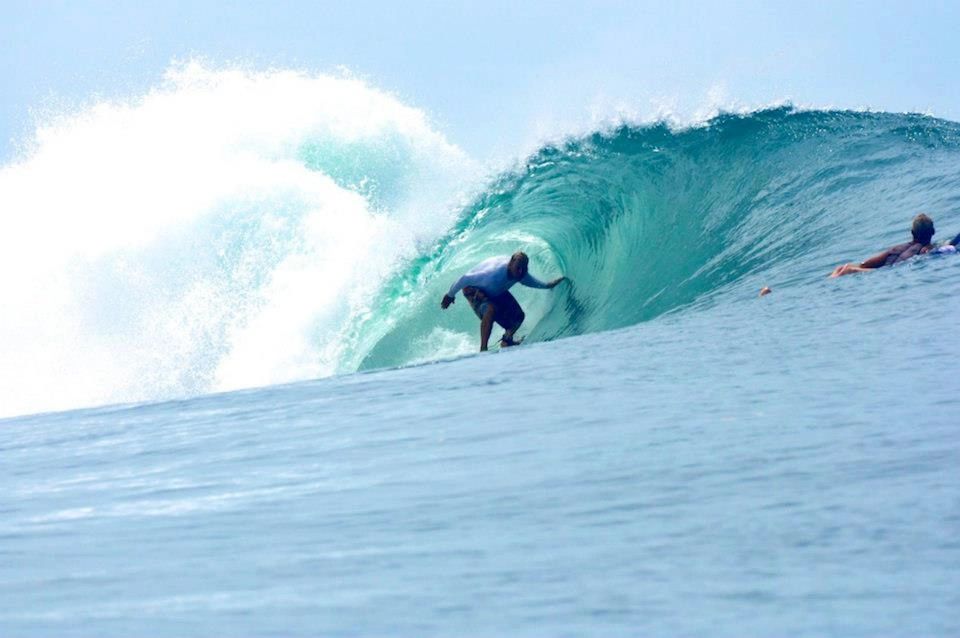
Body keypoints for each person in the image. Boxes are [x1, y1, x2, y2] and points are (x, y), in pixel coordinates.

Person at [440, 252, 565, 351]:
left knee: (519, 317)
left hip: (496, 291)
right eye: (518, 268)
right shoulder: (492, 274)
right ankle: (483, 349)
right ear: (510, 264)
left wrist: (551, 285)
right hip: (473, 289)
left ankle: (506, 341)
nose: (520, 272)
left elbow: (538, 284)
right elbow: (465, 279)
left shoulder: (521, 274)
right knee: (491, 309)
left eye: (523, 269)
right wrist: (450, 295)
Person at [830, 213, 937, 277]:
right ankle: (851, 270)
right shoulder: (925, 248)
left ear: (912, 233)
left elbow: (867, 263)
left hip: (886, 263)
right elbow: (928, 253)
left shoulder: (898, 248)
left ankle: (836, 275)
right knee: (854, 270)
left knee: (845, 267)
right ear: (933, 232)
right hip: (888, 270)